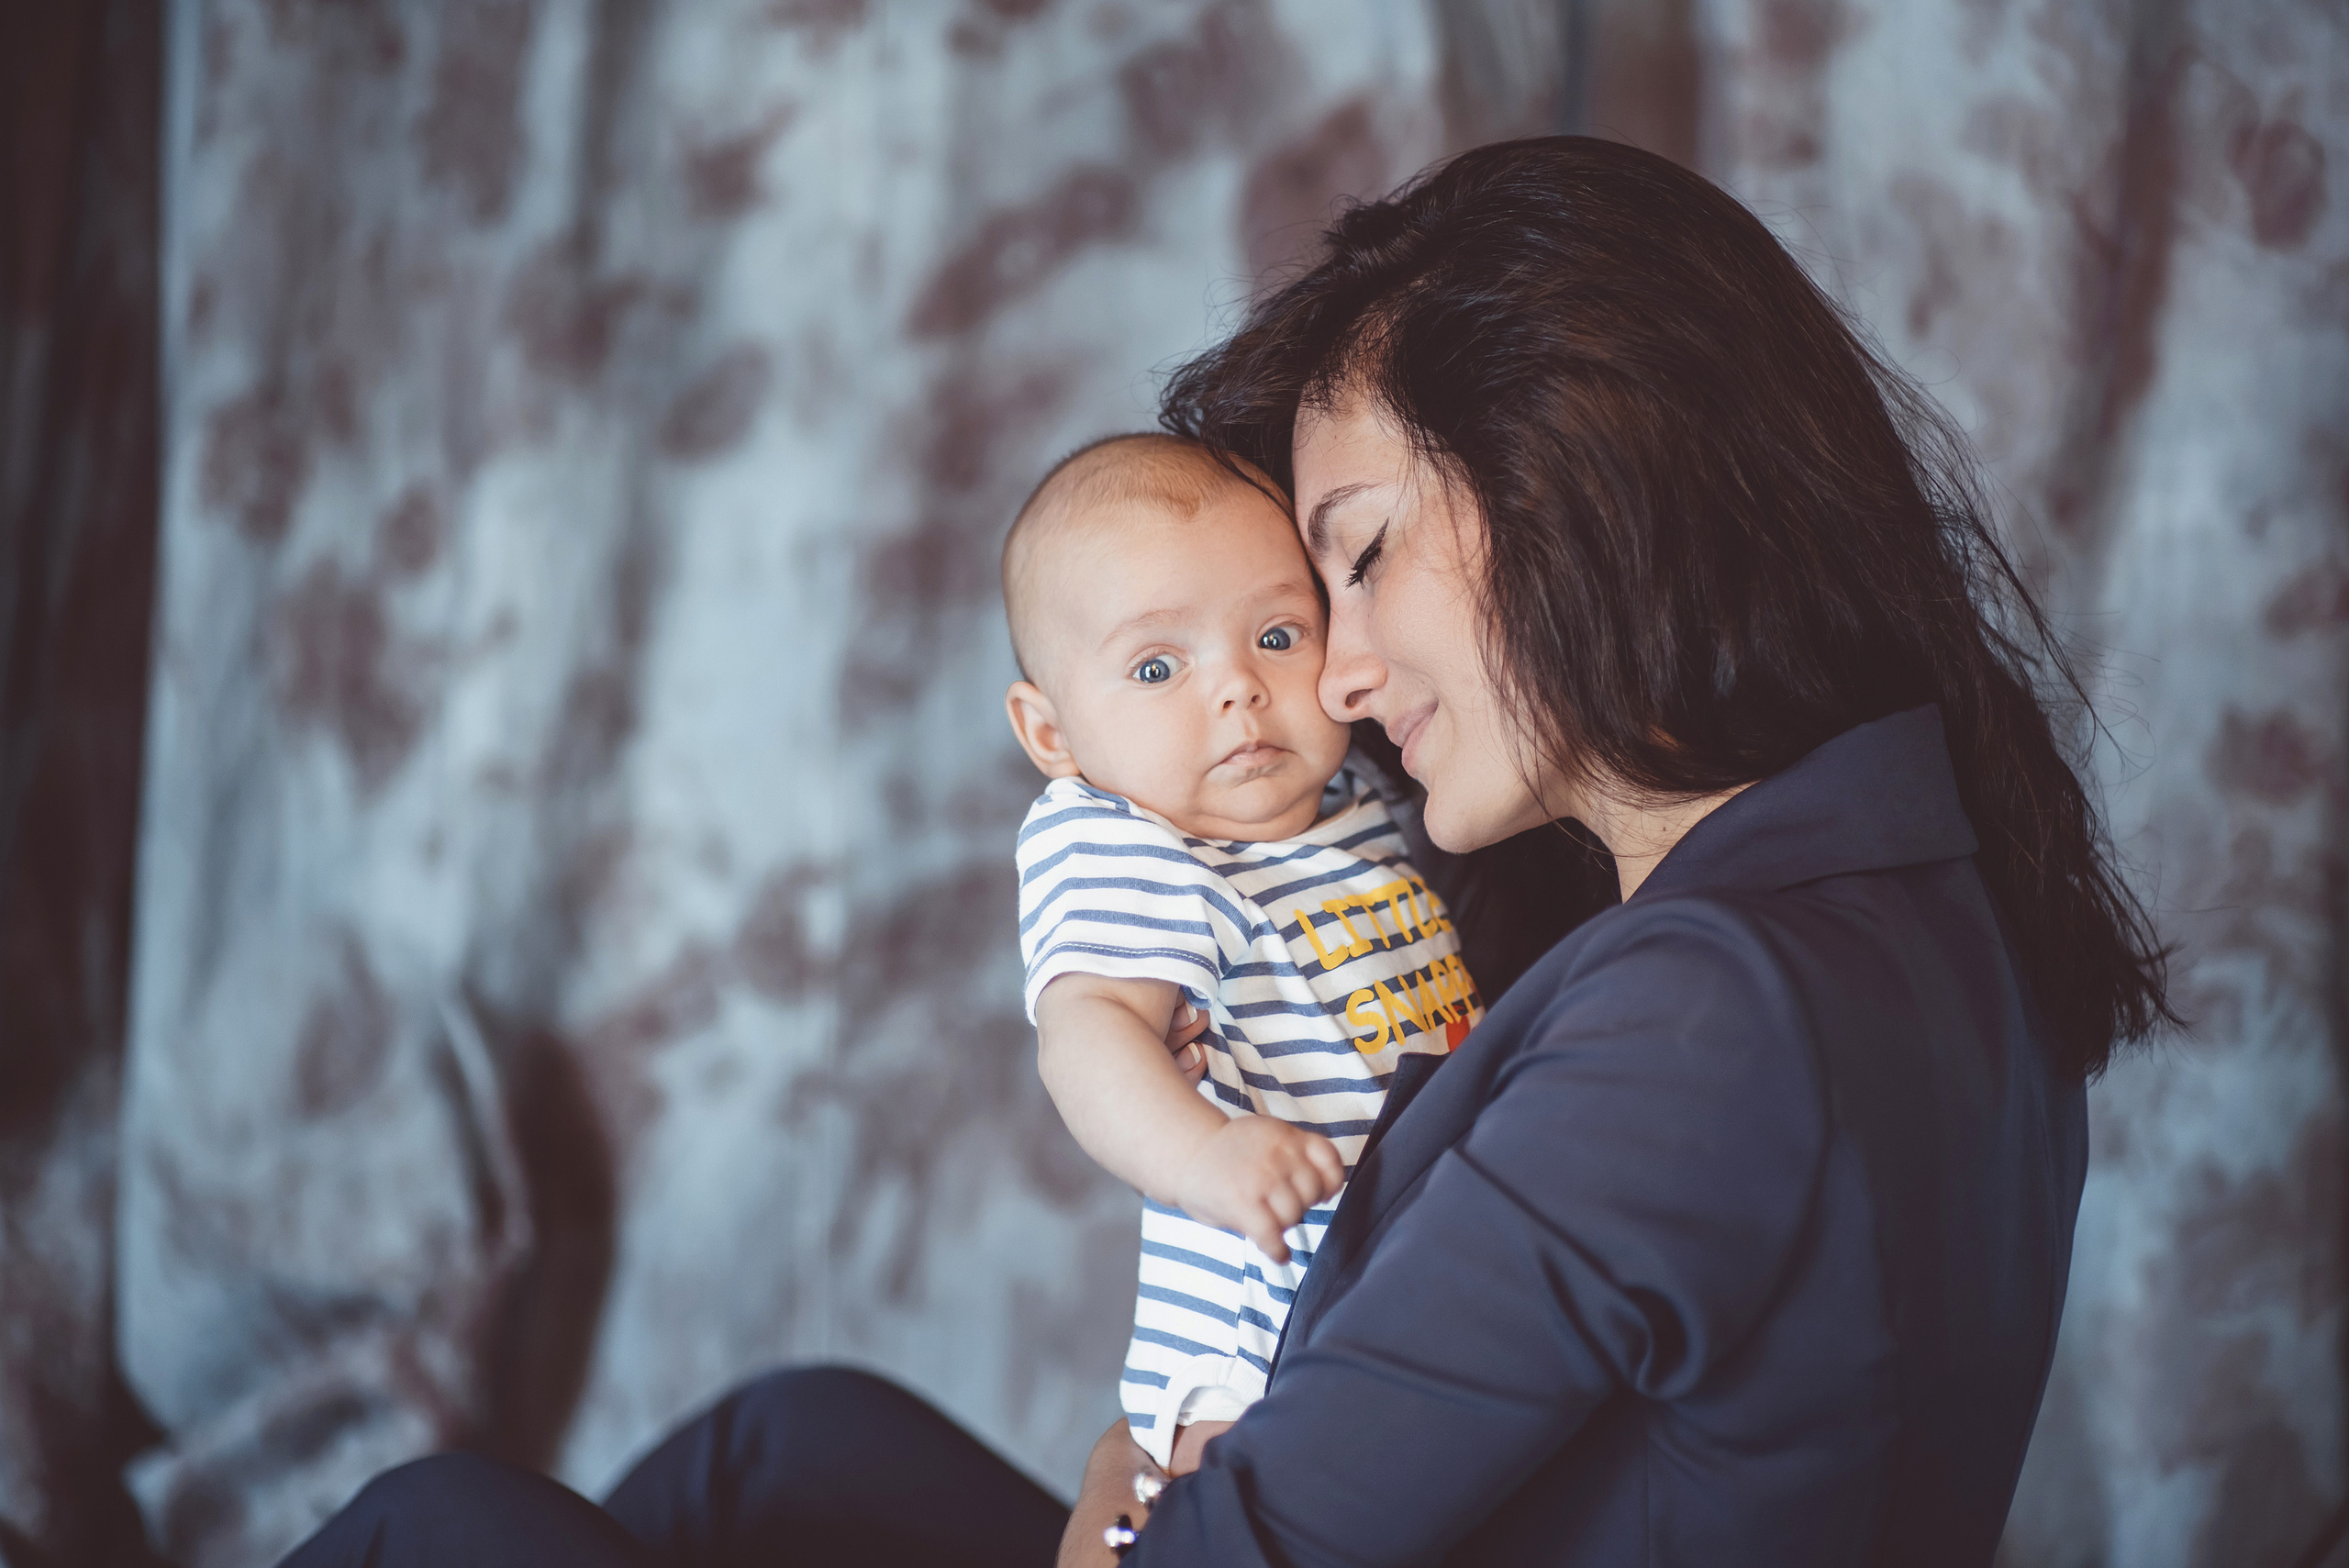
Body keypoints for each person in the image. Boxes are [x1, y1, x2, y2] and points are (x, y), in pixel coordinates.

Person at [277, 134, 2171, 1568]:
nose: (1331, 671)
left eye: (1350, 555)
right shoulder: (1928, 892)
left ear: (1578, 478)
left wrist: (1120, 1506)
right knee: (792, 1443)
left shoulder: (1705, 1015)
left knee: (442, 1518)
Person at [1001, 432, 1485, 1472]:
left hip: (1409, 1281)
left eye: (1276, 634)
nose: (1237, 688)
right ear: (1053, 735)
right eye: (1157, 665)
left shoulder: (1355, 801)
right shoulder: (1127, 842)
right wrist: (1200, 1153)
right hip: (1261, 1324)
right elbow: (1087, 1033)